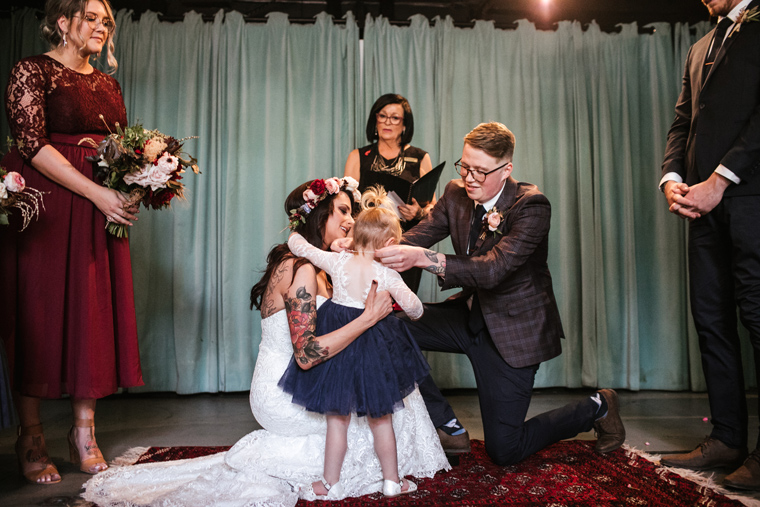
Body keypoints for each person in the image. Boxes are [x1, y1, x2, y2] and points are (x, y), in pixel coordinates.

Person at [82, 177, 449, 506]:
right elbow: (306, 354)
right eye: (342, 211)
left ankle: (357, 477)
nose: (351, 221)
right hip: (287, 392)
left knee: (384, 400)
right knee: (384, 410)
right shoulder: (303, 268)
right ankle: (388, 478)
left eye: (353, 213)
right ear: (319, 215)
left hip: (304, 382)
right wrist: (369, 318)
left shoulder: (324, 264)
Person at [375, 121, 626, 465]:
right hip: (470, 317)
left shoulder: (532, 206)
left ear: (507, 169)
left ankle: (599, 406)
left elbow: (493, 269)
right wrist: (361, 253)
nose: (470, 178)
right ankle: (447, 424)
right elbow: (417, 236)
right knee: (385, 326)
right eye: (465, 166)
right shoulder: (454, 194)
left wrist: (423, 259)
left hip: (512, 332)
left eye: (481, 171)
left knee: (505, 450)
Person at [0, 0, 142, 485]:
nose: (103, 27)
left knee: (90, 316)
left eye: (107, 21)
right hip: (42, 208)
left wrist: (133, 189)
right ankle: (32, 435)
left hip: (97, 212)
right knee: (37, 315)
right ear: (64, 23)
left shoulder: (109, 84)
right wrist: (100, 193)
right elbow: (30, 144)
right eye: (93, 18)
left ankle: (84, 433)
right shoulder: (32, 71)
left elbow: (121, 150)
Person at [658, 0, 760, 490]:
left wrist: (720, 180)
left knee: (758, 319)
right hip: (700, 205)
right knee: (711, 318)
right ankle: (726, 439)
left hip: (752, 199)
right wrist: (672, 178)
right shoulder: (699, 46)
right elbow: (684, 122)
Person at [280, 185, 429, 498]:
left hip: (340, 346)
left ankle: (329, 483)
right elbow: (416, 309)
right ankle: (392, 481)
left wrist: (298, 231)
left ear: (356, 235)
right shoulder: (386, 274)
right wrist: (403, 304)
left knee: (337, 420)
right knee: (381, 420)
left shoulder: (338, 263)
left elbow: (302, 247)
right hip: (374, 344)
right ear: (389, 243)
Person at [344, 93, 435, 292]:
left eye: (395, 118)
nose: (387, 122)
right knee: (363, 298)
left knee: (400, 302)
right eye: (382, 116)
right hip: (365, 242)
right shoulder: (358, 156)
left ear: (404, 125)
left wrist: (418, 212)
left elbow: (433, 208)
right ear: (375, 119)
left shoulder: (420, 157)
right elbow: (347, 204)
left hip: (404, 243)